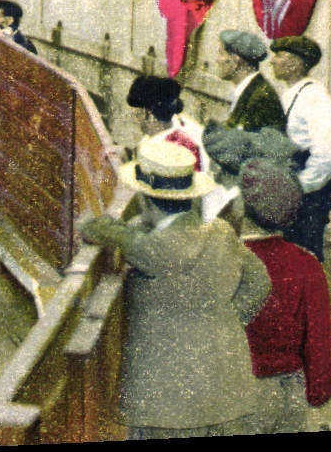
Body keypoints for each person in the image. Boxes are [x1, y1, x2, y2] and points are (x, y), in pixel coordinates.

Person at [78, 134, 271, 439]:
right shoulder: (220, 232)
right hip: (226, 387)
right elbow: (260, 281)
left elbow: (98, 229)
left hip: (166, 404)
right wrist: (228, 318)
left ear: (144, 196)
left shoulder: (149, 248)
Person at [233, 160, 331, 434]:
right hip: (291, 392)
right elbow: (318, 339)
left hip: (240, 392)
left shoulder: (230, 260)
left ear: (243, 206)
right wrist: (318, 393)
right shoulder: (307, 265)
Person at [268, 36, 331, 261]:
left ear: (295, 64)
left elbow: (328, 152)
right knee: (289, 254)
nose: (272, 62)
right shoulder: (293, 93)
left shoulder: (314, 98)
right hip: (294, 184)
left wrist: (300, 186)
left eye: (279, 56)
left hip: (310, 193)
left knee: (305, 256)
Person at [217, 30, 284, 131]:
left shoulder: (261, 97)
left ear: (236, 60)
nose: (217, 60)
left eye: (221, 54)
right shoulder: (250, 90)